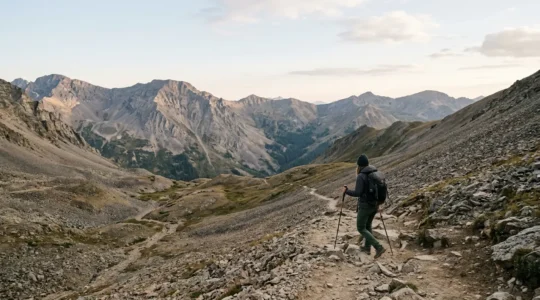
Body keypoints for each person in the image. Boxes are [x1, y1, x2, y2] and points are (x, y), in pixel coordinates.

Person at [342, 154, 386, 258]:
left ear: (359, 165)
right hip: (375, 205)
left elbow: (358, 193)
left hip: (365, 205)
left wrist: (346, 191)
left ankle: (378, 247)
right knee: (368, 226)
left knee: (361, 228)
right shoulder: (374, 173)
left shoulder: (361, 176)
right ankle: (367, 248)